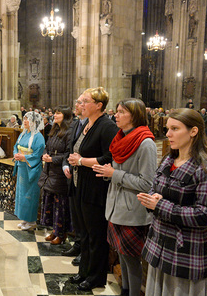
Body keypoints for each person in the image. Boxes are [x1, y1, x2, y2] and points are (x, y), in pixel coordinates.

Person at [137, 108, 207, 296]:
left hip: (184, 251)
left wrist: (160, 205)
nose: (168, 134)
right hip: (158, 244)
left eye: (175, 128)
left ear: (193, 131)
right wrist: (154, 197)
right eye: (168, 128)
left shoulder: (206, 168)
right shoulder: (169, 159)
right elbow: (156, 187)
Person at [92, 98, 156, 296]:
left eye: (121, 112)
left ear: (134, 115)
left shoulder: (145, 143)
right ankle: (125, 290)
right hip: (116, 206)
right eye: (117, 111)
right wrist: (108, 173)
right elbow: (118, 173)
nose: (116, 115)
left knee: (131, 259)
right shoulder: (121, 138)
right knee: (121, 255)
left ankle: (133, 293)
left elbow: (147, 183)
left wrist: (114, 175)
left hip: (132, 210)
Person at [67, 87, 118, 291]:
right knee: (85, 234)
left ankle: (96, 277)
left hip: (95, 188)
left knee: (96, 235)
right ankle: (84, 272)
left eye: (85, 101)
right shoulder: (88, 124)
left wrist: (81, 161)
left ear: (99, 105)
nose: (80, 105)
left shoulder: (106, 126)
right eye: (80, 101)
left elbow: (109, 158)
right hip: (81, 186)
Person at [39, 106, 72, 245]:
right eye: (56, 112)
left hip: (59, 174)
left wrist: (53, 159)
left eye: (58, 113)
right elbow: (48, 146)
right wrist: (46, 154)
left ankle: (61, 233)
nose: (55, 115)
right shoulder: (54, 129)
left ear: (65, 115)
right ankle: (54, 231)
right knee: (51, 204)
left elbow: (68, 154)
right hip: (49, 172)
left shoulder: (69, 132)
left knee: (60, 206)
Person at [62, 94, 88, 262]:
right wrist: (66, 165)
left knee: (85, 219)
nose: (77, 105)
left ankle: (84, 250)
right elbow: (69, 150)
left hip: (86, 177)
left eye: (80, 102)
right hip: (73, 176)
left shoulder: (97, 126)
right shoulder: (76, 124)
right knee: (76, 215)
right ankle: (78, 244)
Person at [13, 111, 45, 230]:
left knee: (30, 194)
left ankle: (31, 221)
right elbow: (16, 146)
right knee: (21, 193)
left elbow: (37, 154)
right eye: (24, 119)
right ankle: (24, 219)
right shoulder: (23, 134)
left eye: (28, 119)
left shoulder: (38, 137)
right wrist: (16, 154)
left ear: (34, 122)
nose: (25, 121)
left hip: (31, 169)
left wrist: (24, 157)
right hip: (22, 167)